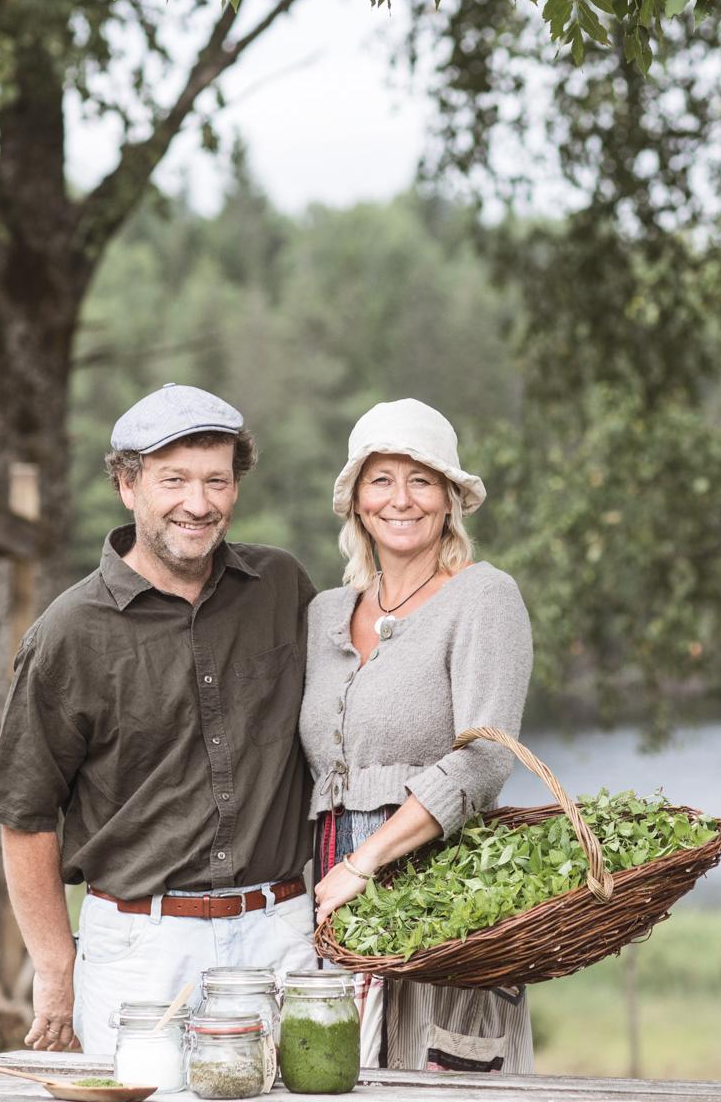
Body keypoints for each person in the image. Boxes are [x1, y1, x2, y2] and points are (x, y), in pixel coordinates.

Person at [0, 384, 320, 1056]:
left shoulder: (282, 589)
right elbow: (25, 816)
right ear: (127, 485)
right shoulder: (69, 634)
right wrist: (54, 968)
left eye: (216, 480)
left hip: (281, 935)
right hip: (141, 950)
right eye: (175, 480)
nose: (199, 504)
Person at [299, 398, 536, 1073]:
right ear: (356, 502)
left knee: (439, 1072)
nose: (401, 499)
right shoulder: (323, 615)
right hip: (330, 901)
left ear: (450, 500)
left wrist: (364, 863)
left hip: (445, 894)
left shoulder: (482, 597)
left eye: (422, 480)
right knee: (334, 1074)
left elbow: (486, 758)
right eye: (381, 480)